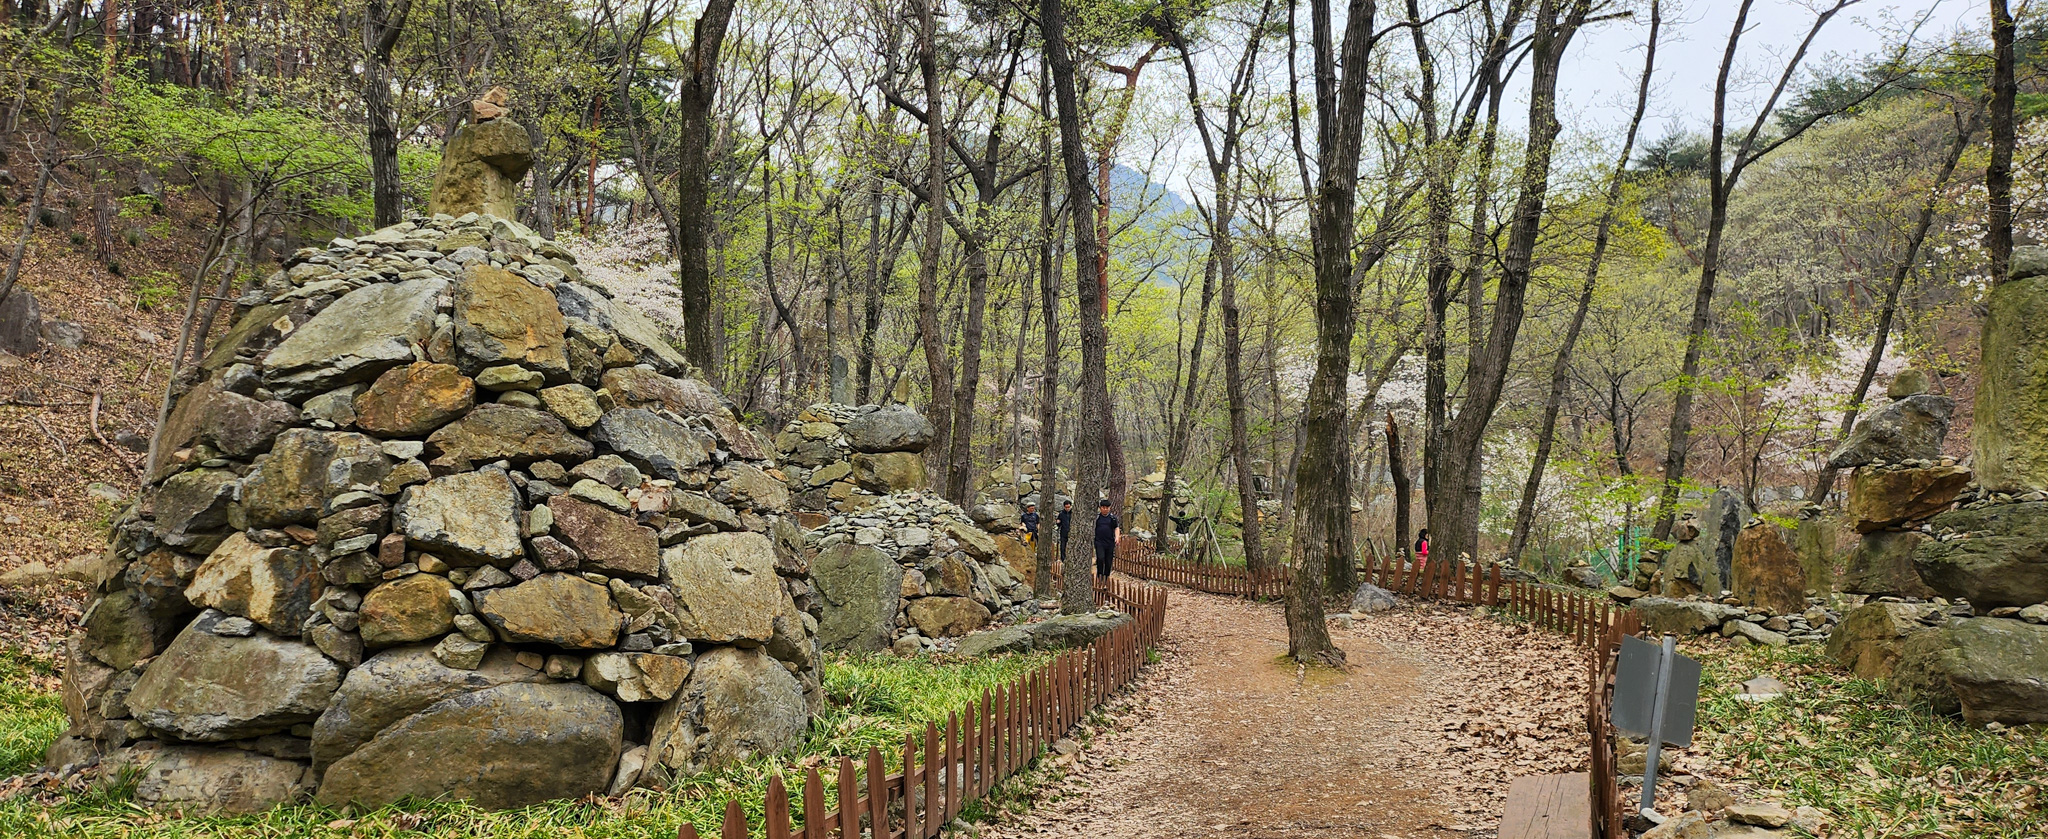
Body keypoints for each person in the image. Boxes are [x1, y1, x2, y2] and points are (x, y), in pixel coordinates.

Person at [1093, 499, 1121, 582]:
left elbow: (1116, 528)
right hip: (1099, 542)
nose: (1105, 509)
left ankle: (1106, 577)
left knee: (1108, 561)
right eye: (1103, 507)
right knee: (1100, 558)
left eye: (1107, 508)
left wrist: (1117, 537)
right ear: (1100, 508)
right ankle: (1100, 576)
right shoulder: (1097, 518)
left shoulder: (1112, 518)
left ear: (1109, 508)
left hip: (1110, 542)